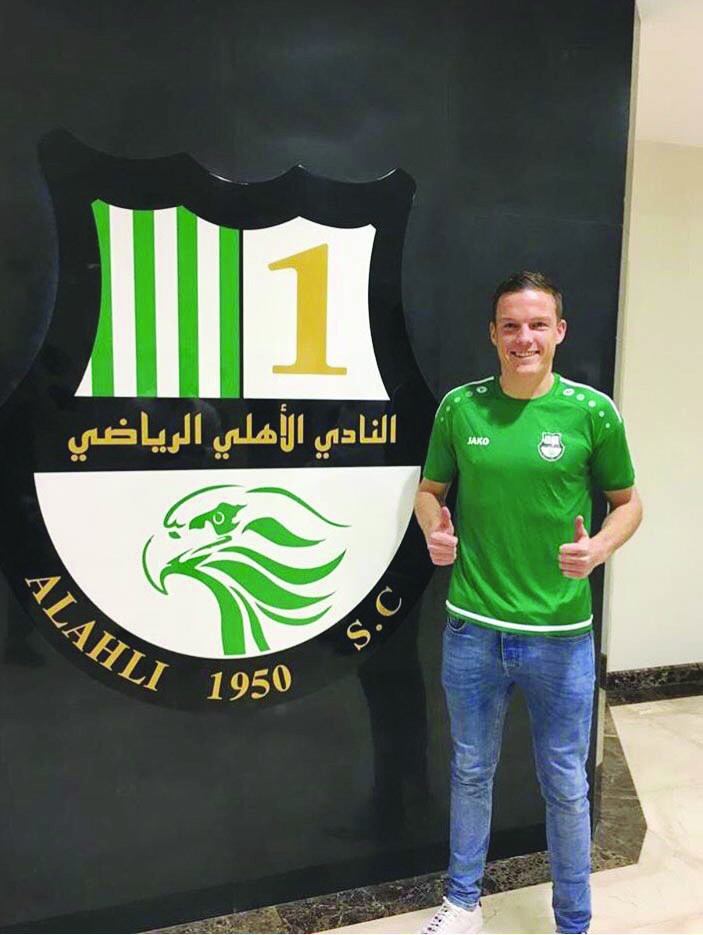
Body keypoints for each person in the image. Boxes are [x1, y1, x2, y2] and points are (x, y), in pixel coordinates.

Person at [414, 271, 642, 935]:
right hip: (472, 631)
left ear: (559, 332)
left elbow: (628, 504)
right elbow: (430, 488)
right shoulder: (460, 407)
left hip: (560, 635)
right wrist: (434, 526)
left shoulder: (591, 411)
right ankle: (461, 903)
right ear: (492, 334)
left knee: (567, 784)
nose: (524, 338)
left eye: (537, 325)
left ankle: (573, 923)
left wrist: (597, 547)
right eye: (510, 326)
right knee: (470, 769)